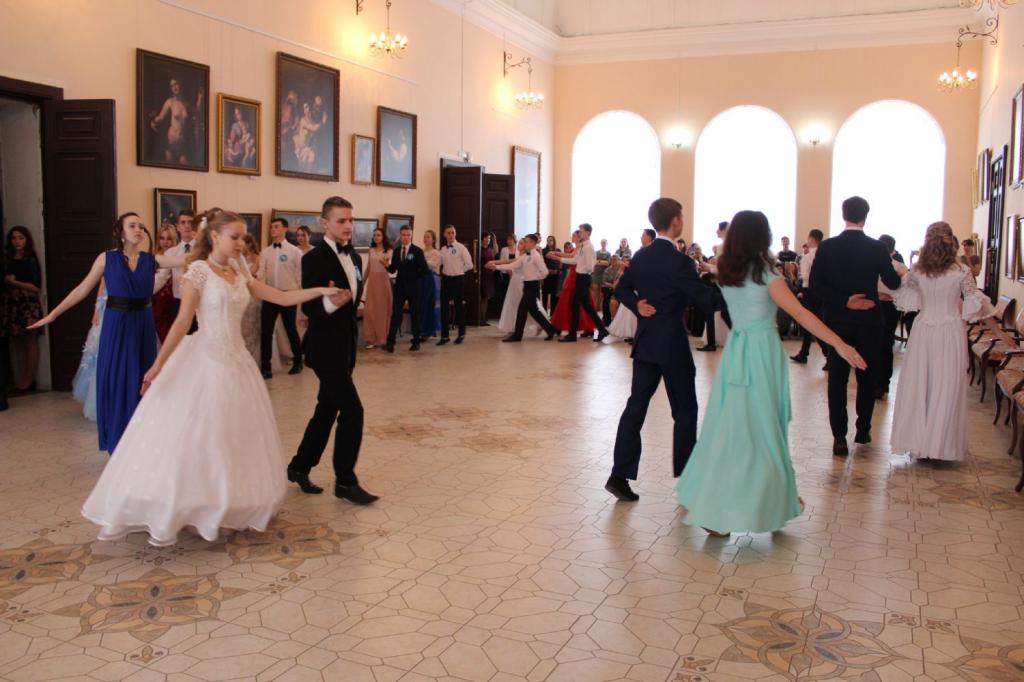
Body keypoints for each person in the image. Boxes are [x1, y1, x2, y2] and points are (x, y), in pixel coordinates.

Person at [78, 210, 340, 546]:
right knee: (201, 438)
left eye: (243, 237)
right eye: (234, 237)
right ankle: (190, 506)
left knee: (231, 438)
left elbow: (282, 296)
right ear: (215, 236)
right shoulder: (198, 271)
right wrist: (158, 365)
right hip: (204, 361)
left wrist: (319, 291)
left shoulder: (240, 270)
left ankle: (225, 504)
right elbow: (182, 322)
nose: (241, 243)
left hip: (237, 363)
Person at [675, 211, 866, 536]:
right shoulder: (766, 274)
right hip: (760, 354)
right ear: (762, 237)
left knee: (730, 427)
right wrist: (839, 343)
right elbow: (800, 314)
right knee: (764, 428)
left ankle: (768, 498)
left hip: (737, 351)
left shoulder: (727, 271)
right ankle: (755, 502)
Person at [28, 213, 185, 453]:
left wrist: (211, 241)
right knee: (117, 377)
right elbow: (82, 289)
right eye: (132, 226)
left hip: (142, 324)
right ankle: (118, 438)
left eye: (141, 226)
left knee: (140, 377)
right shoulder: (106, 259)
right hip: (117, 324)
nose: (138, 229)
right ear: (121, 232)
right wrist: (53, 315)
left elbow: (187, 258)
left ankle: (139, 439)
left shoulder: (151, 259)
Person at [606, 199, 721, 502]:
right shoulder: (680, 261)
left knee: (636, 406)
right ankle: (688, 480)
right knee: (685, 410)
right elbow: (706, 301)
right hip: (671, 343)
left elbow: (621, 289)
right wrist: (739, 290)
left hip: (646, 341)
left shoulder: (641, 255)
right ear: (675, 221)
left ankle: (618, 475)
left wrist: (637, 305)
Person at [289, 196, 378, 505]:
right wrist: (330, 303)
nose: (348, 226)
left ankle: (299, 467)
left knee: (326, 409)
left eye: (351, 220)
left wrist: (353, 304)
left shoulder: (355, 258)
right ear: (324, 223)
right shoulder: (313, 259)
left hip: (346, 345)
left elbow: (355, 297)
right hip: (324, 347)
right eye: (341, 220)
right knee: (353, 410)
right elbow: (310, 306)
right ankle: (345, 481)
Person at [891, 222, 999, 463]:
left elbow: (906, 296)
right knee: (946, 385)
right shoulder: (962, 271)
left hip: (923, 330)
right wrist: (997, 331)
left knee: (921, 383)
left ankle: (920, 443)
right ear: (952, 241)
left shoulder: (917, 271)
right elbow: (976, 301)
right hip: (950, 330)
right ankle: (940, 445)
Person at [810, 196, 900, 456]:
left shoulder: (827, 247)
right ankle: (863, 429)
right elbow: (893, 283)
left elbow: (815, 285)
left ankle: (839, 436)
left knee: (837, 379)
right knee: (866, 376)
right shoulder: (877, 248)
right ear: (865, 217)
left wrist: (844, 301)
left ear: (843, 215)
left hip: (836, 322)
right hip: (869, 321)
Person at [488, 234, 559, 342]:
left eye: (526, 241)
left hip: (532, 286)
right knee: (534, 311)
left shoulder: (536, 256)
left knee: (522, 309)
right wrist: (496, 267)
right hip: (527, 286)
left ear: (533, 243)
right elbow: (513, 265)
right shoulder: (525, 256)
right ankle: (551, 330)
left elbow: (545, 272)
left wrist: (534, 278)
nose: (524, 243)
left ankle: (517, 335)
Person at [258, 217, 304, 377]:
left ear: (285, 229)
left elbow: (300, 276)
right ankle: (266, 367)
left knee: (291, 329)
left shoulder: (295, 252)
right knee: (266, 332)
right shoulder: (265, 252)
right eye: (271, 227)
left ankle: (298, 361)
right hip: (270, 295)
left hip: (288, 295)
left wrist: (298, 296)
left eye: (276, 226)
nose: (273, 229)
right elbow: (261, 274)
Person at [549, 223, 610, 343]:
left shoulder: (588, 247)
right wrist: (559, 258)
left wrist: (583, 270)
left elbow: (590, 266)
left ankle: (572, 335)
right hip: (580, 277)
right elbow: (575, 260)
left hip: (583, 278)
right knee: (586, 306)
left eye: (581, 231)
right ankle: (602, 329)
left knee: (575, 304)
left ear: (587, 233)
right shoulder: (583, 246)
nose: (579, 233)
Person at [3, 226, 44, 392]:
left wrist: (14, 282)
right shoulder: (8, 259)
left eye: (21, 238)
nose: (17, 241)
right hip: (13, 304)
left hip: (28, 304)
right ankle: (21, 380)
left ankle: (29, 380)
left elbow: (36, 286)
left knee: (30, 341)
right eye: (14, 238)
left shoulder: (30, 259)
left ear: (26, 240)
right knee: (17, 342)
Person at [386, 225, 428, 352]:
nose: (406, 237)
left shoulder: (417, 251)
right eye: (403, 235)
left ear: (411, 235)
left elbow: (424, 270)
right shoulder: (397, 251)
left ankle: (416, 341)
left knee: (414, 314)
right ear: (400, 236)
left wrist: (414, 277)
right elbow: (393, 269)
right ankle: (390, 343)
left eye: (408, 235)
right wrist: (386, 265)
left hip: (414, 288)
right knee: (396, 314)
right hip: (399, 287)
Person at [876, 234, 909, 399]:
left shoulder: (899, 267)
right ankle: (875, 380)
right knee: (873, 344)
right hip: (872, 306)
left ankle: (883, 383)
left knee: (885, 344)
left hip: (889, 307)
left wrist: (889, 295)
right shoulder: (871, 263)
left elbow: (904, 290)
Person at [790, 228, 829, 366]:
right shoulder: (826, 255)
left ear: (811, 239)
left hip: (810, 292)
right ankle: (804, 353)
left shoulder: (807, 257)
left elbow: (805, 276)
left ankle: (828, 355)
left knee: (812, 324)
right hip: (822, 293)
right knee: (811, 323)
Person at [155, 209, 198, 332]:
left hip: (200, 304)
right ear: (178, 227)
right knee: (181, 342)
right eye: (183, 222)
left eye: (190, 222)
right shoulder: (171, 253)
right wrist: (139, 290)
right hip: (178, 304)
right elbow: (160, 279)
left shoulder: (205, 250)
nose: (187, 226)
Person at [437, 224, 474, 346]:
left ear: (455, 233)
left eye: (452, 232)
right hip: (446, 280)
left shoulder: (461, 247)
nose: (451, 235)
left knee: (459, 307)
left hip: (458, 279)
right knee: (444, 308)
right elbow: (437, 263)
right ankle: (445, 336)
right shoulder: (443, 249)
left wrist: (459, 271)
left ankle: (461, 334)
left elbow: (470, 265)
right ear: (444, 235)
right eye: (448, 233)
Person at [363, 227, 393, 349]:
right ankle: (371, 338)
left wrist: (385, 258)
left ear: (383, 237)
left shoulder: (389, 250)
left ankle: (382, 338)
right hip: (372, 282)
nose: (376, 237)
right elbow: (368, 268)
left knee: (382, 310)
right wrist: (362, 282)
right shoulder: (370, 250)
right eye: (374, 235)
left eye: (378, 235)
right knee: (369, 310)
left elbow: (387, 262)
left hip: (383, 281)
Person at [149, 77, 190, 165]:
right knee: (170, 169)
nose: (174, 87)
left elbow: (196, 114)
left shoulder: (186, 103)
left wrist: (200, 98)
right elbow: (160, 117)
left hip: (182, 143)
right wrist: (153, 122)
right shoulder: (170, 102)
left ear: (181, 84)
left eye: (176, 84)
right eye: (172, 86)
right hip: (171, 141)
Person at [152, 223, 179, 343]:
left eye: (169, 239)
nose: (165, 242)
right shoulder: (153, 257)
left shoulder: (178, 256)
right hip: (155, 301)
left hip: (171, 302)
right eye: (162, 238)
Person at [240, 232, 263, 364]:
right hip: (241, 294)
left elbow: (249, 275)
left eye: (243, 243)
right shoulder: (237, 258)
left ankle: (253, 357)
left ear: (248, 244)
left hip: (252, 295)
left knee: (252, 325)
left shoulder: (256, 258)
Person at [418, 229, 442, 341]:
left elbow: (434, 265)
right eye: (424, 236)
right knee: (421, 304)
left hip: (430, 279)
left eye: (428, 237)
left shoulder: (436, 253)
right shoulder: (421, 251)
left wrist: (422, 262)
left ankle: (427, 331)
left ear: (433, 239)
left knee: (428, 304)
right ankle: (420, 330)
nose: (425, 239)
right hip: (420, 279)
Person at [479, 232, 497, 325]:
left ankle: (483, 318)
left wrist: (495, 240)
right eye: (486, 238)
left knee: (486, 298)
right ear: (482, 239)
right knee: (483, 297)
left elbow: (495, 256)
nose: (487, 240)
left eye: (489, 238)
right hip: (482, 276)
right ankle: (480, 319)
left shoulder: (490, 250)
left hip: (490, 276)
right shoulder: (479, 249)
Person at [601, 255, 622, 325]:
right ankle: (606, 319)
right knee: (606, 297)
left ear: (619, 260)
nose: (613, 261)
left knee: (609, 297)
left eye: (615, 259)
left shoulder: (621, 269)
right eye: (612, 260)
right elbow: (604, 281)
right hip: (608, 287)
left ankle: (612, 319)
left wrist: (614, 286)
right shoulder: (607, 269)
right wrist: (611, 285)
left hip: (618, 288)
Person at [542, 235, 561, 313]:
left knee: (554, 295)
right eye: (548, 240)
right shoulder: (543, 251)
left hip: (555, 275)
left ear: (554, 241)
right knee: (545, 294)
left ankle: (553, 313)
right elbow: (542, 262)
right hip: (546, 275)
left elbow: (560, 262)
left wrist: (557, 270)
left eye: (551, 240)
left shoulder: (558, 250)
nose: (549, 242)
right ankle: (544, 313)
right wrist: (548, 270)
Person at [593, 238, 612, 312]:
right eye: (602, 242)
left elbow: (607, 263)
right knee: (595, 291)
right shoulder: (596, 252)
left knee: (601, 292)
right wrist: (602, 262)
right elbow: (593, 261)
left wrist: (598, 261)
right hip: (595, 273)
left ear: (607, 244)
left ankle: (600, 307)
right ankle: (595, 307)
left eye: (604, 242)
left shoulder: (608, 253)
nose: (603, 244)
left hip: (604, 274)